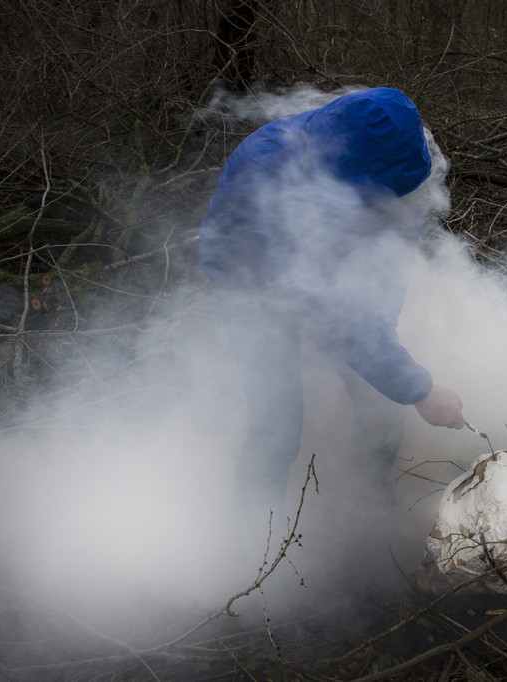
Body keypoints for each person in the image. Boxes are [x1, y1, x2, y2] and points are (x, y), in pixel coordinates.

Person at [197, 87, 465, 529]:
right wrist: (419, 388)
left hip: (324, 266)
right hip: (249, 278)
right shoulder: (266, 175)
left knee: (381, 399)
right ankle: (252, 553)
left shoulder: (395, 144)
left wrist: (386, 342)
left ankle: (367, 516)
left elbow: (394, 249)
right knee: (277, 424)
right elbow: (330, 313)